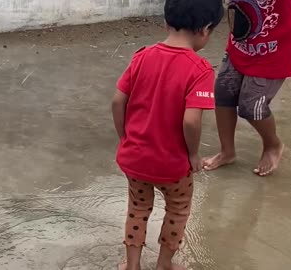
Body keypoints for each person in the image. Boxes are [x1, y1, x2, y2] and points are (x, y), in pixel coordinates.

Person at [111, 0, 224, 269]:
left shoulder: (142, 56)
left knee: (137, 210)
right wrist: (193, 154)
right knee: (178, 210)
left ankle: (132, 265)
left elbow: (117, 101)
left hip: (135, 160)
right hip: (173, 166)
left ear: (166, 22)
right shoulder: (200, 70)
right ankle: (164, 265)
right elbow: (191, 121)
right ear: (206, 29)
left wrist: (124, 137)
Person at [202, 0, 291, 176]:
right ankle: (227, 152)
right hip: (243, 38)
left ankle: (273, 145)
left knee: (251, 106)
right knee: (223, 92)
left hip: (276, 43)